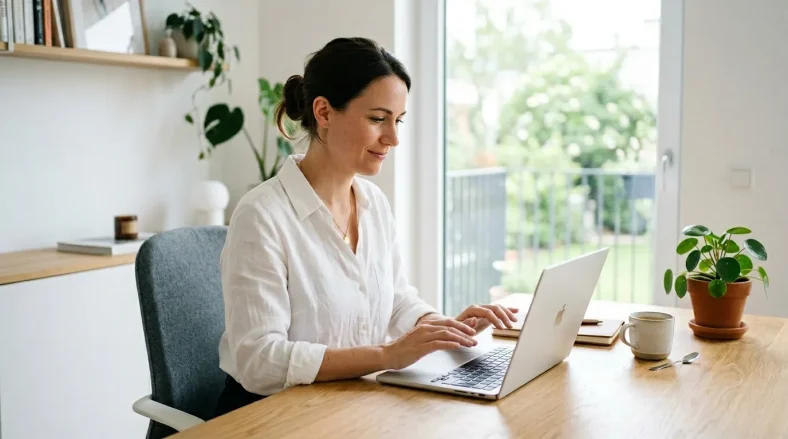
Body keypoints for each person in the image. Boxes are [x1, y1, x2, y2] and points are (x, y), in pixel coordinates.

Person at [213, 37, 518, 417]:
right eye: (377, 119)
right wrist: (387, 355)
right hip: (272, 414)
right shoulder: (261, 215)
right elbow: (259, 361)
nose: (393, 138)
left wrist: (441, 328)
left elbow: (395, 299)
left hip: (349, 401)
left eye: (397, 120)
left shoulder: (373, 203)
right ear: (323, 112)